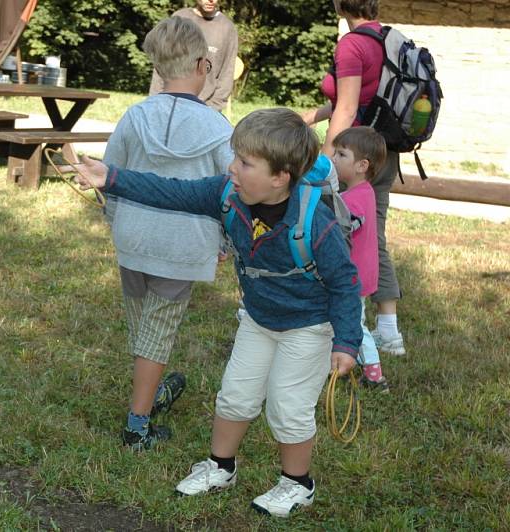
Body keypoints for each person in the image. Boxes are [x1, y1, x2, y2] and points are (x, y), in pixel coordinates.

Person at [76, 108, 362, 518]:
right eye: (236, 157)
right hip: (258, 319)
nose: (232, 168)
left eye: (245, 162)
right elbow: (172, 191)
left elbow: (345, 283)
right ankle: (220, 467)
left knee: (288, 406)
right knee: (235, 396)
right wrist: (112, 178)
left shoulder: (315, 221)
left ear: (280, 177)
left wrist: (347, 341)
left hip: (309, 327)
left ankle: (298, 485)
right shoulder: (227, 195)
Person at [103, 16, 234, 451]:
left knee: (144, 329)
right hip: (182, 245)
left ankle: (150, 391)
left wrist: (115, 222)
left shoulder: (134, 116)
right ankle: (136, 426)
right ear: (201, 66)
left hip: (134, 239)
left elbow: (110, 177)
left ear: (159, 68)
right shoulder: (218, 128)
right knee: (155, 335)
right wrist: (226, 242)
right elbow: (233, 191)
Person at [302, 0, 406, 356]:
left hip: (354, 154)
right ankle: (389, 330)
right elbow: (364, 97)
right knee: (373, 231)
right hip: (383, 150)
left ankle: (340, 323)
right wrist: (313, 115)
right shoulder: (388, 37)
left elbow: (348, 108)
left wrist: (326, 160)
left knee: (329, 227)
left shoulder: (351, 43)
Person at [332, 126, 389, 392]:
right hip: (356, 273)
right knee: (341, 319)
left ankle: (375, 375)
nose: (333, 159)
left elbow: (348, 223)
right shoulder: (363, 192)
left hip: (352, 275)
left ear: (361, 165)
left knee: (354, 324)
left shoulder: (356, 197)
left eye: (341, 154)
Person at [149, 0, 238, 112]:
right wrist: (155, 99)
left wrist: (212, 108)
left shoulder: (227, 28)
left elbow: (227, 73)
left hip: (206, 107)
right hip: (170, 104)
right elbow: (162, 62)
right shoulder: (179, 19)